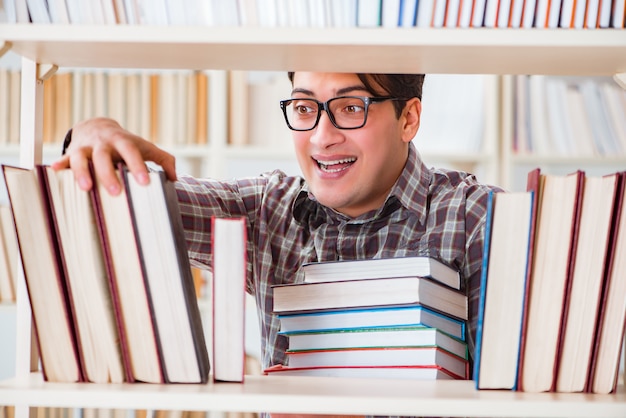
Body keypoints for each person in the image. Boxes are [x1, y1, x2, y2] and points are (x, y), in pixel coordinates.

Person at [52, 71, 502, 378]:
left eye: (350, 108)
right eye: (305, 108)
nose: (322, 137)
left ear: (409, 118)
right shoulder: (266, 208)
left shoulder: (478, 219)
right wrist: (91, 139)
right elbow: (124, 203)